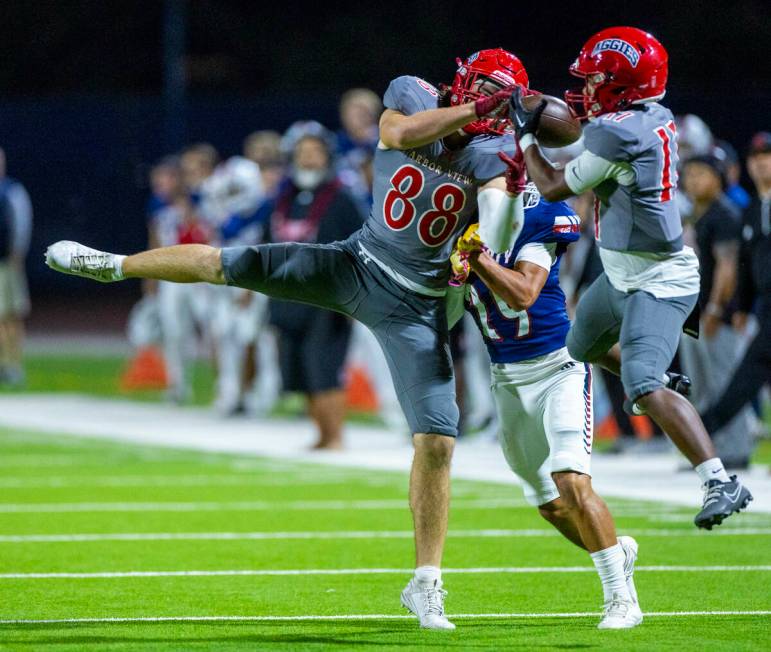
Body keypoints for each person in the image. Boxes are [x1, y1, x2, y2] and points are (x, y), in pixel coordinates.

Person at [45, 48, 529, 630]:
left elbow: (499, 233)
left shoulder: (495, 154)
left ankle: (426, 582)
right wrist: (475, 112)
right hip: (357, 261)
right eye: (487, 103)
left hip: (417, 304)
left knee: (437, 442)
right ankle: (115, 264)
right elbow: (399, 132)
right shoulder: (412, 95)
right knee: (227, 264)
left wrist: (509, 180)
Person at [508, 26, 752, 528]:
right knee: (581, 344)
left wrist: (527, 134)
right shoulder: (649, 116)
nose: (587, 89)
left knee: (640, 384)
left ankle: (719, 480)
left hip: (658, 279)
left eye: (597, 80)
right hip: (622, 275)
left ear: (624, 85)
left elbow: (552, 185)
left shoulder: (620, 132)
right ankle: (659, 379)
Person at [448, 177, 642, 629]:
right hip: (506, 380)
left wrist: (475, 259)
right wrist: (451, 275)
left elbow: (523, 293)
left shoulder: (531, 216)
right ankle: (616, 553)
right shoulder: (452, 229)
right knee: (549, 503)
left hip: (558, 367)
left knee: (571, 480)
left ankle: (621, 599)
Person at [268, 121, 363, 449]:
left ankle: (335, 436)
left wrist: (354, 295)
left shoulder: (342, 199)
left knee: (324, 367)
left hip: (328, 298)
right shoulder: (283, 199)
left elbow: (360, 248)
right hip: (288, 296)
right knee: (300, 371)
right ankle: (321, 436)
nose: (308, 159)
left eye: (315, 152)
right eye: (302, 152)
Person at [679, 154, 756, 466]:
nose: (695, 180)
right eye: (691, 174)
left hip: (715, 316)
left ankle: (735, 450)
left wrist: (715, 307)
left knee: (723, 381)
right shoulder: (698, 215)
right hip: (693, 313)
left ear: (718, 177)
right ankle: (707, 451)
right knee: (698, 385)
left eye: (702, 174)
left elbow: (727, 266)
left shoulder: (724, 213)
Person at [700, 132, 771, 445]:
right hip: (765, 305)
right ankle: (703, 431)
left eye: (767, 157)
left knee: (750, 370)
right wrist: (741, 307)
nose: (760, 164)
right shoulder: (753, 208)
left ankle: (703, 430)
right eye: (755, 158)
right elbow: (745, 265)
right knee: (752, 370)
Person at [0, 148, 32, 387]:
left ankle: (13, 364)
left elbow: (22, 223)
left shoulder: (11, 191)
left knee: (11, 315)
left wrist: (17, 255)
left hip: (6, 263)